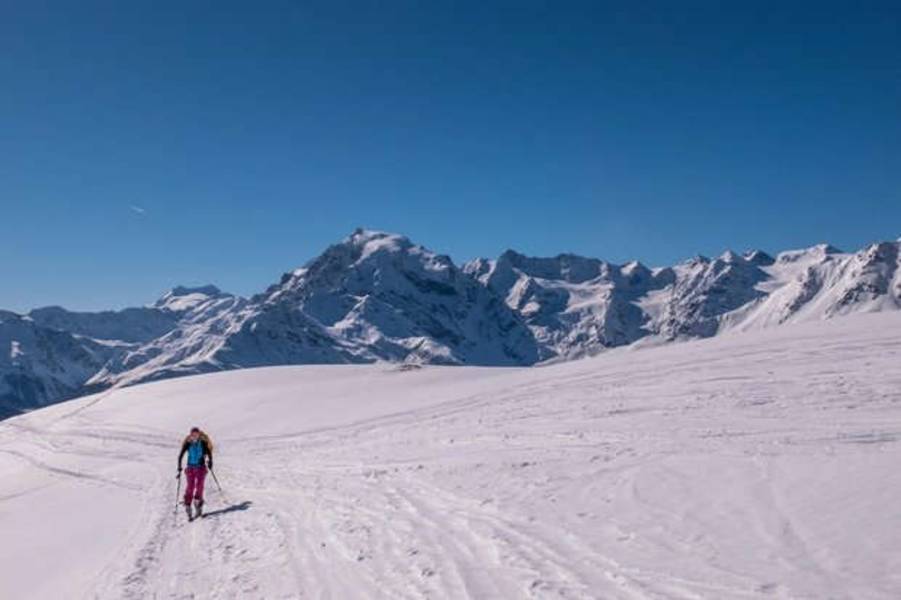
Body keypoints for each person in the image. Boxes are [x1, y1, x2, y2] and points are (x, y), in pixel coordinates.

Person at [178, 426, 213, 519]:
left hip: (201, 468)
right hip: (190, 468)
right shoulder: (188, 444)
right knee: (190, 486)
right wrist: (179, 466)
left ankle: (198, 503)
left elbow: (209, 453)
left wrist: (210, 462)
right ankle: (188, 504)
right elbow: (181, 455)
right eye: (193, 435)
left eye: (196, 434)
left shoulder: (203, 443)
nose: (195, 436)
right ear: (190, 435)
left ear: (199, 435)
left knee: (200, 486)